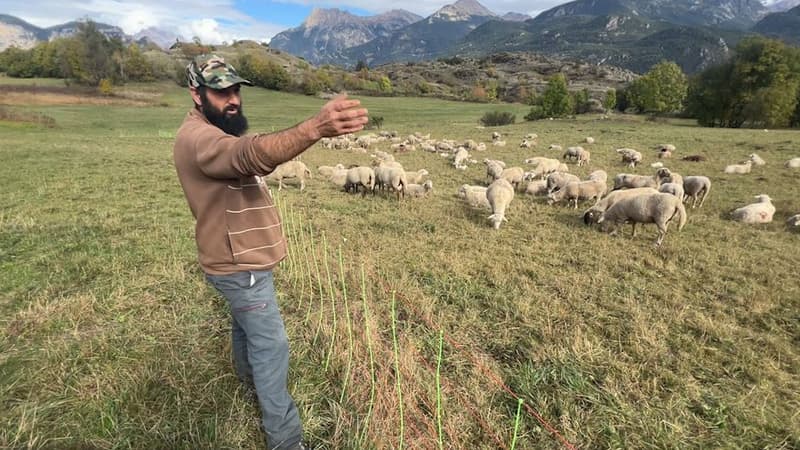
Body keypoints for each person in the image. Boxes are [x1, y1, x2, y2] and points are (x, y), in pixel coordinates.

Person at [173, 54, 368, 450]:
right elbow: (247, 156)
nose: (232, 99)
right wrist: (315, 127)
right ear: (196, 93)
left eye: (235, 89)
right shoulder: (199, 139)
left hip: (236, 260)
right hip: (238, 265)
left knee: (245, 328)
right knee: (272, 346)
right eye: (220, 91)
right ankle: (286, 440)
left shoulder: (212, 130)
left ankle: (249, 382)